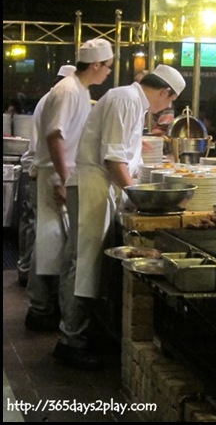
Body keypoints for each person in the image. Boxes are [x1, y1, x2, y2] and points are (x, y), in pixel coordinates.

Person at [53, 64, 186, 370]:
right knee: (82, 263)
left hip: (97, 186)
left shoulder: (131, 101)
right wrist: (137, 196)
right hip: (91, 185)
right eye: (170, 101)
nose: (166, 107)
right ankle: (70, 341)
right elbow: (113, 158)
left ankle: (77, 334)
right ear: (165, 92)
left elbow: (123, 156)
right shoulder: (126, 99)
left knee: (81, 261)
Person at [26, 40, 113, 333]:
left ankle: (45, 307)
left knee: (54, 244)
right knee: (49, 241)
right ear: (97, 64)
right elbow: (55, 136)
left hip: (64, 174)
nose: (109, 73)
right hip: (55, 175)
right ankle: (40, 309)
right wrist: (64, 179)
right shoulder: (67, 90)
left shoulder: (80, 89)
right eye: (108, 67)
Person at [17, 65, 76, 288]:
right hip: (43, 174)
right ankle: (39, 301)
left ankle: (28, 278)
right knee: (43, 238)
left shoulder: (51, 98)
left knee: (37, 233)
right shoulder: (58, 98)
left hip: (40, 171)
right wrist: (65, 178)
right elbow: (55, 139)